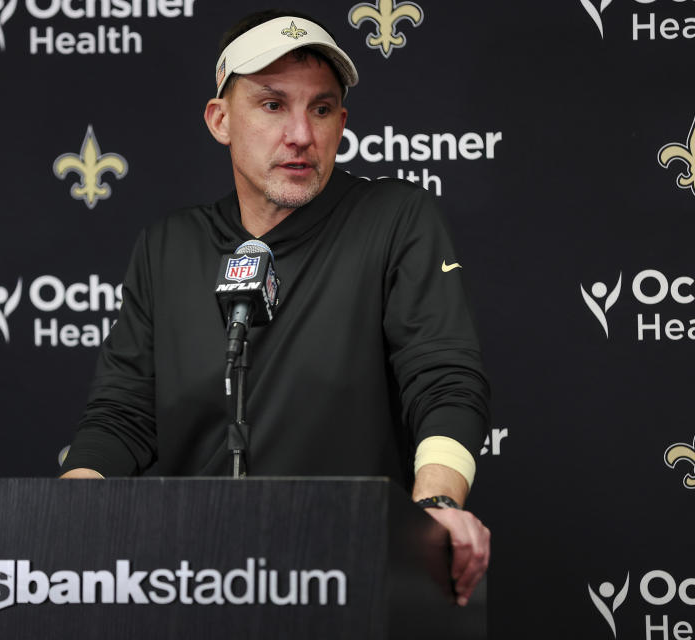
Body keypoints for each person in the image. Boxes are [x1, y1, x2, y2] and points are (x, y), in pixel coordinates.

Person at [61, 9, 491, 607]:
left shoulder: (395, 218)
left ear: (342, 122)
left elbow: (443, 379)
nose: (300, 135)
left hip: (348, 573)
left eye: (320, 109)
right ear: (220, 119)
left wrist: (437, 506)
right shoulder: (168, 246)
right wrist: (62, 517)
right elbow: (122, 415)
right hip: (189, 580)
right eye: (271, 105)